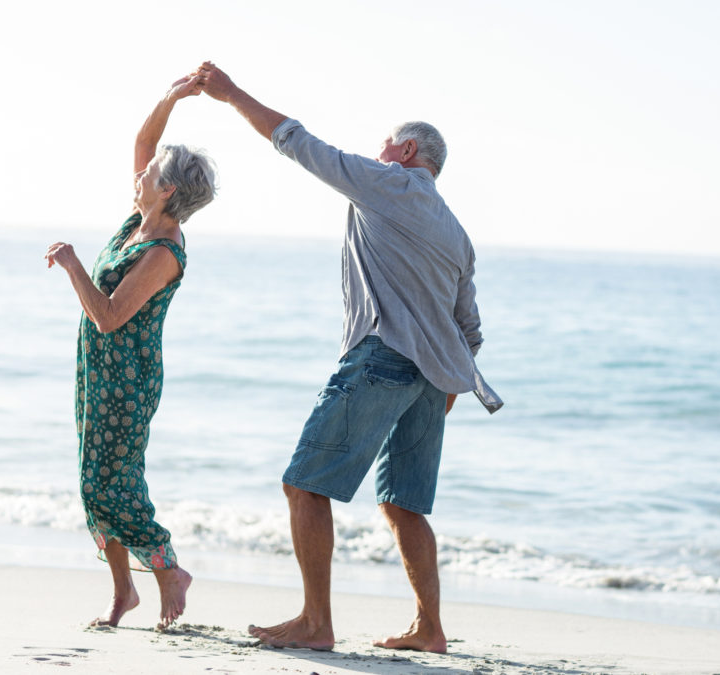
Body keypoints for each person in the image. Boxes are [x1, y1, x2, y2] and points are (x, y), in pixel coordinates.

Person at [194, 61, 501, 654]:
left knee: (304, 486)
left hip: (382, 358)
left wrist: (229, 93)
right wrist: (444, 393)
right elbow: (470, 329)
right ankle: (430, 629)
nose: (377, 151)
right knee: (402, 503)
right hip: (432, 381)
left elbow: (299, 143)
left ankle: (316, 622)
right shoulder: (457, 231)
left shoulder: (389, 182)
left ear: (406, 150)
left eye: (385, 143)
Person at [44, 74, 217, 630]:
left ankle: (167, 568)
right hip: (96, 370)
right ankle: (124, 594)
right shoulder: (138, 222)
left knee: (108, 483)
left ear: (167, 190)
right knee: (92, 480)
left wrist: (72, 265)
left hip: (127, 377)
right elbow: (144, 147)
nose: (139, 173)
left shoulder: (165, 248)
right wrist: (171, 98)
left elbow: (111, 316)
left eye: (151, 174)